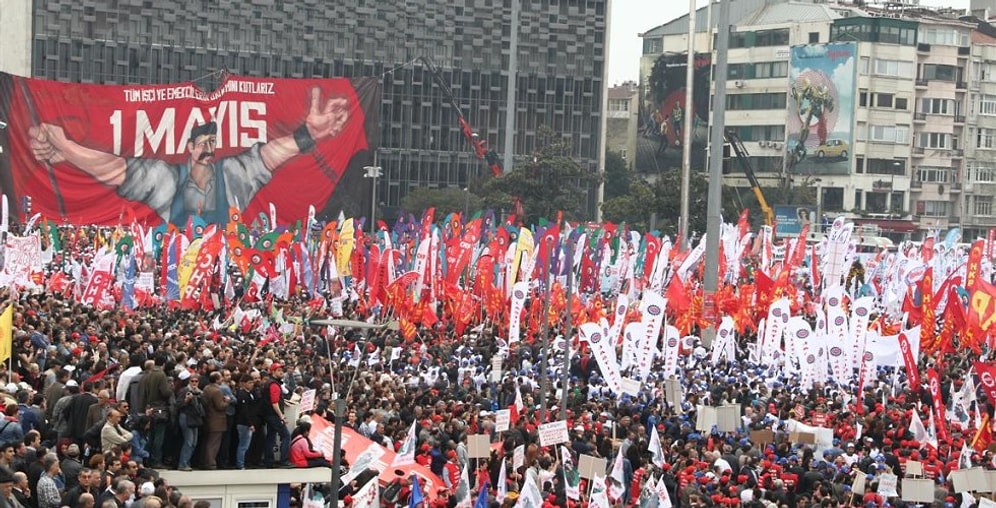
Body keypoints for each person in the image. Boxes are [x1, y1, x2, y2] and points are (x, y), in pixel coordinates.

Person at [28, 88, 350, 225]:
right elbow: (117, 170)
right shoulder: (166, 181)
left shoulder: (232, 177)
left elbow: (267, 156)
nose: (208, 150)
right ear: (190, 149)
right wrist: (69, 149)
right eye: (202, 144)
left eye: (213, 143)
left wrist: (307, 134)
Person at [199, 372, 229, 470]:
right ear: (216, 380)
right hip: (216, 420)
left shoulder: (206, 388)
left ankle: (204, 461)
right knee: (213, 443)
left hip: (208, 418)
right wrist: (227, 401)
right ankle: (210, 463)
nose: (222, 380)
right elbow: (220, 406)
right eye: (220, 378)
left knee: (207, 442)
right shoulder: (217, 391)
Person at [262, 364, 290, 468]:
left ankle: (268, 461)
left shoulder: (270, 383)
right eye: (278, 370)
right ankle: (284, 460)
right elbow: (274, 403)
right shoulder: (274, 384)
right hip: (273, 415)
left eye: (282, 370)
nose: (281, 372)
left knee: (270, 437)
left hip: (268, 414)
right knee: (286, 436)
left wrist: (283, 401)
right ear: (273, 372)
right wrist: (281, 416)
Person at [175, 377, 203, 472]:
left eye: (196, 381)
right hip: (186, 416)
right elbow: (178, 405)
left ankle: (187, 462)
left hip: (195, 417)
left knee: (194, 443)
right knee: (188, 441)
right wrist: (186, 400)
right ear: (189, 382)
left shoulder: (199, 392)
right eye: (192, 381)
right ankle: (182, 464)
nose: (194, 383)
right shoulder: (184, 391)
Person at [233, 374, 259, 470]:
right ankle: (240, 464)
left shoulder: (249, 393)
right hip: (244, 423)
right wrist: (250, 423)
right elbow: (244, 411)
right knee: (243, 445)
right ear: (243, 383)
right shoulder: (242, 394)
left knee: (245, 445)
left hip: (247, 422)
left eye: (252, 382)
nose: (251, 384)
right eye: (249, 383)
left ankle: (242, 462)